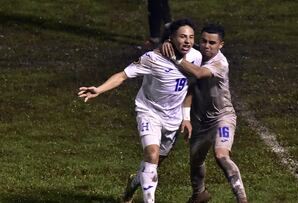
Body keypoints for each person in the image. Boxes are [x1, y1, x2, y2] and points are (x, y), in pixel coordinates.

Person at [78, 18, 202, 203]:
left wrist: (186, 117)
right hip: (149, 111)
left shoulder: (195, 57)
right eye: (182, 37)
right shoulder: (152, 58)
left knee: (153, 164)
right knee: (151, 153)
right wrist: (99, 89)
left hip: (173, 118)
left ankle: (132, 185)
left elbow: (191, 86)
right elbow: (122, 75)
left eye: (191, 37)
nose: (187, 41)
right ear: (171, 38)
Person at [161, 23, 248, 203]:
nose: (207, 46)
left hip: (221, 118)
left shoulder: (219, 63)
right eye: (203, 41)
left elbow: (199, 74)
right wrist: (166, 44)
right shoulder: (194, 56)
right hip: (199, 121)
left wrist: (176, 58)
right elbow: (189, 87)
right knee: (196, 161)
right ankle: (199, 195)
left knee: (221, 155)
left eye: (212, 43)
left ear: (220, 45)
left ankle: (242, 198)